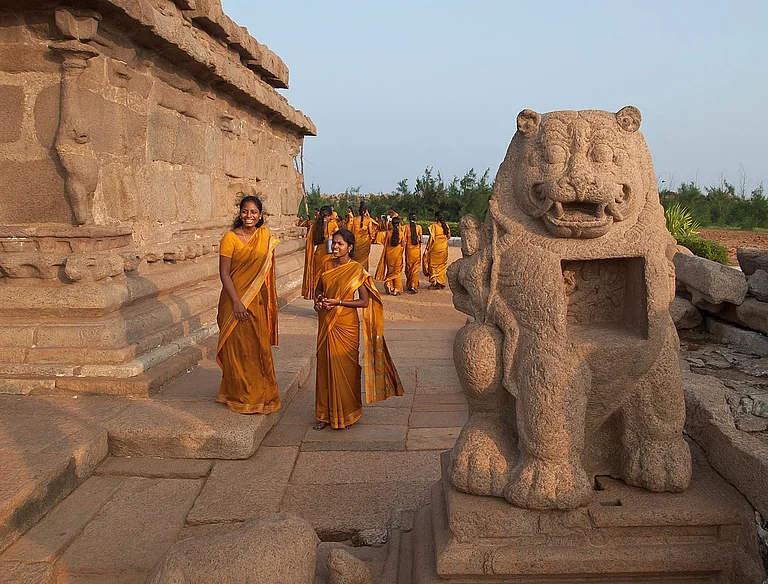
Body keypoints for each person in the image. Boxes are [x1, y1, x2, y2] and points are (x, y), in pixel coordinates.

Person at [313, 228, 403, 429]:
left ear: (350, 247)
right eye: (334, 243)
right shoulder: (326, 264)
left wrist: (338, 303)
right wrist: (319, 300)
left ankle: (348, 413)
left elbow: (363, 302)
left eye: (340, 244)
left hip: (346, 325)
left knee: (346, 368)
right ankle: (323, 414)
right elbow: (318, 289)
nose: (335, 247)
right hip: (326, 321)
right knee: (325, 367)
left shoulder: (356, 270)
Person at [216, 196, 280, 414]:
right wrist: (236, 302)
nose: (249, 216)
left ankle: (262, 396)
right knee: (238, 349)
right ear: (240, 213)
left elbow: (267, 274)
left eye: (253, 212)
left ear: (260, 215)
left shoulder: (266, 237)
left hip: (258, 301)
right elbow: (224, 273)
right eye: (245, 211)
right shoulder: (230, 238)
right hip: (234, 301)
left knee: (257, 348)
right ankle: (239, 396)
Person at [302, 205, 340, 299]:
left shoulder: (315, 225)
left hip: (319, 254)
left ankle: (317, 300)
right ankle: (328, 300)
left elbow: (312, 241)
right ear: (329, 215)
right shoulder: (333, 224)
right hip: (330, 254)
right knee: (330, 278)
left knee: (318, 278)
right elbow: (339, 237)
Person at [375, 215, 405, 295]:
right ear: (398, 224)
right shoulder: (401, 233)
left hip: (389, 253)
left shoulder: (388, 233)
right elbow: (403, 244)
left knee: (390, 270)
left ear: (391, 223)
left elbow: (385, 243)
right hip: (397, 253)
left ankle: (389, 284)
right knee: (397, 271)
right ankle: (396, 289)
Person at [423, 211, 450, 289]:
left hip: (435, 249)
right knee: (442, 266)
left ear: (436, 218)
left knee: (432, 265)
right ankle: (441, 282)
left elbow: (431, 239)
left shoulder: (434, 226)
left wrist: (427, 249)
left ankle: (435, 281)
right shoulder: (446, 226)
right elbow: (448, 237)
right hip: (444, 249)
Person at [351, 202, 377, 272]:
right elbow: (370, 232)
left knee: (355, 258)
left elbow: (351, 231)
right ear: (366, 211)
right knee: (364, 259)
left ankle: (356, 273)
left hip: (356, 242)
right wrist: (372, 237)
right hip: (365, 242)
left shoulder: (354, 219)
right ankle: (364, 274)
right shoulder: (368, 220)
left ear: (358, 211)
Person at [404, 213, 423, 293]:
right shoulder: (419, 227)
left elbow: (404, 240)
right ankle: (413, 285)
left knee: (409, 268)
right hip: (416, 250)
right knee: (415, 269)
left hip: (409, 251)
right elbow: (421, 240)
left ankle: (410, 284)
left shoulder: (406, 227)